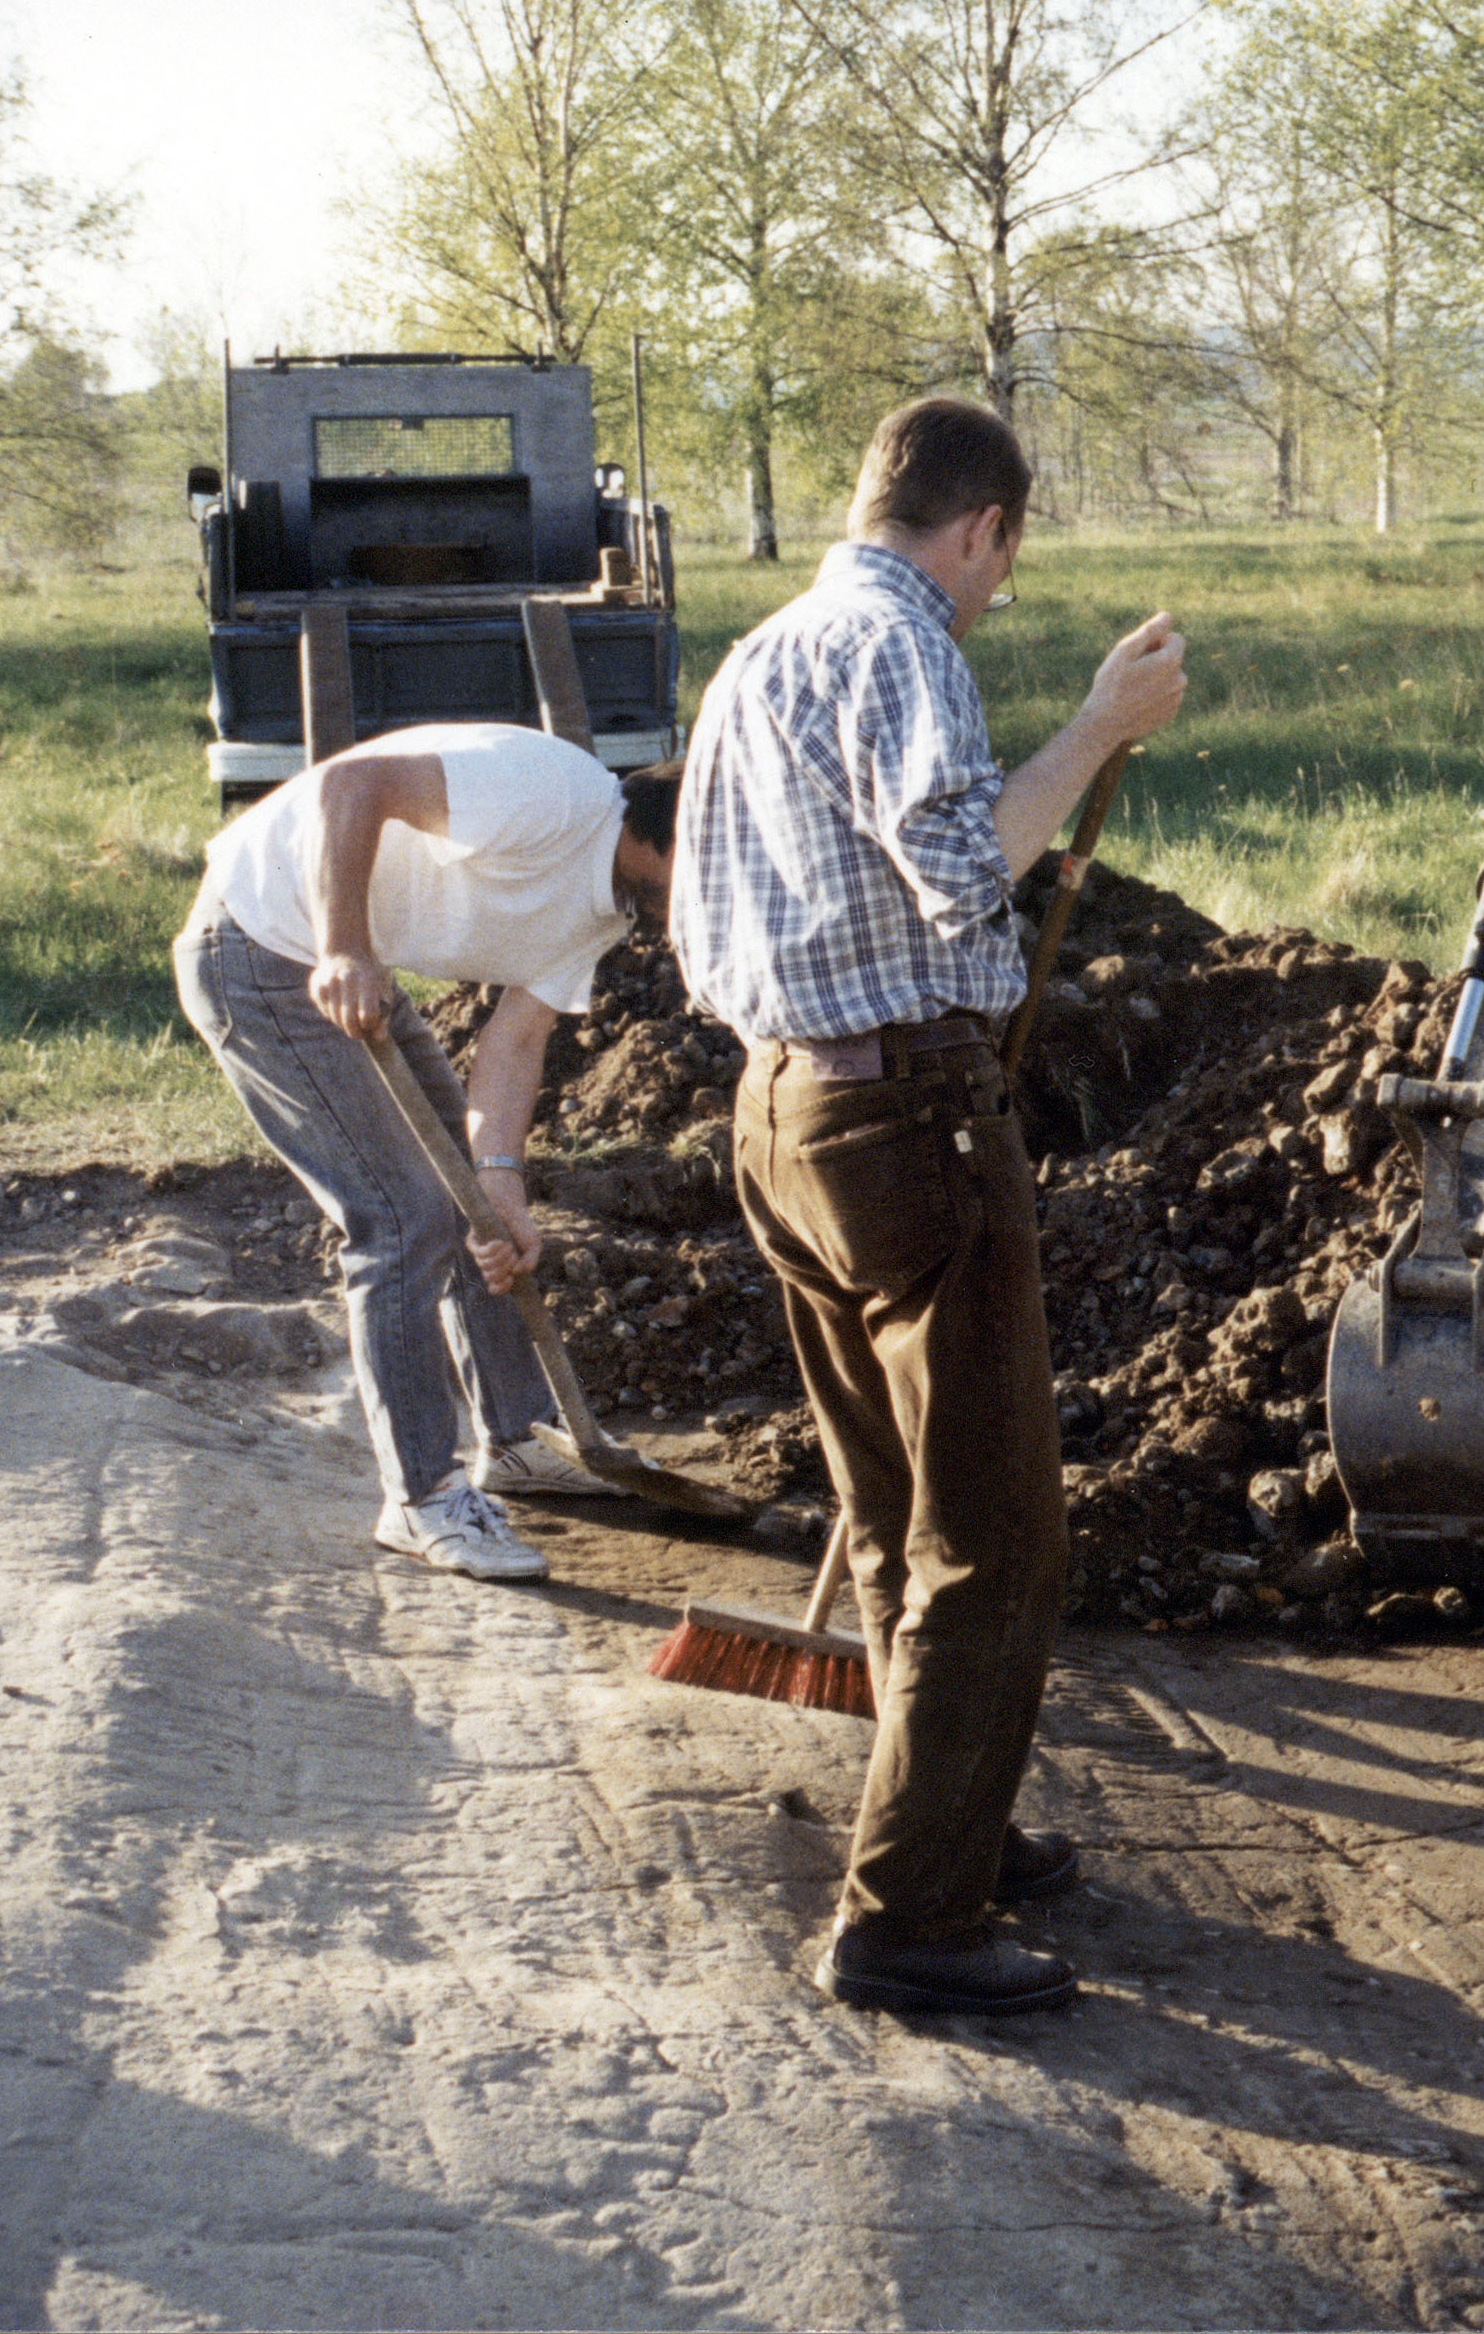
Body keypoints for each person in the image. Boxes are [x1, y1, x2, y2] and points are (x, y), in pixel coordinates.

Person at [672, 395, 1186, 2019]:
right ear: (981, 528)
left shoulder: (757, 658)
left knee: (895, 1507)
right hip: (904, 1119)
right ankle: (905, 1920)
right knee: (1001, 1536)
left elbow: (694, 925)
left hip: (778, 1111)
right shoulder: (903, 645)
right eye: (1000, 572)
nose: (990, 598)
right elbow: (969, 868)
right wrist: (1098, 726)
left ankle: (941, 1807)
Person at [176, 724, 680, 1584]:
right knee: (402, 1213)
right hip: (259, 946)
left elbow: (516, 1042)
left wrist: (503, 1185)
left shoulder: (608, 908)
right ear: (670, 833)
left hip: (333, 959)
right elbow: (354, 784)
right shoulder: (553, 792)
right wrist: (344, 946)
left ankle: (518, 1441)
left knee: (470, 1208)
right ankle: (420, 1496)